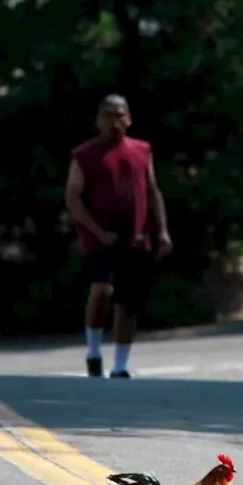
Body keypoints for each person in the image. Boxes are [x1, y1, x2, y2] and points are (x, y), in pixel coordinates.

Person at [64, 94, 173, 378]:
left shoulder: (141, 150)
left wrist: (161, 231)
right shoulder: (84, 155)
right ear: (98, 120)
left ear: (129, 118)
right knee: (102, 290)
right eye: (110, 115)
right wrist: (97, 231)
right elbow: (73, 198)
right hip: (98, 236)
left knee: (128, 301)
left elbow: (152, 191)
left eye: (121, 115)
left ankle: (121, 366)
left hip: (135, 236)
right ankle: (93, 352)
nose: (116, 121)